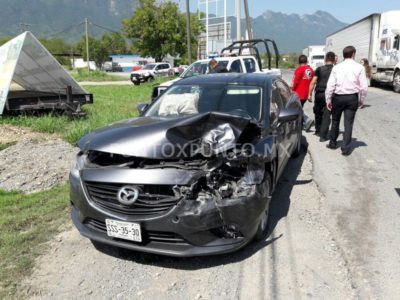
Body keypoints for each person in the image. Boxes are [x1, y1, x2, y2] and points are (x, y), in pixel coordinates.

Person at [325, 46, 368, 156]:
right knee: (348, 123)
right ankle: (345, 149)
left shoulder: (336, 67)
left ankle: (333, 143)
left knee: (335, 121)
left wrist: (328, 99)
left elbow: (330, 86)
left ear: (343, 55)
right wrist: (361, 100)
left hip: (338, 97)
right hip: (352, 97)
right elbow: (364, 87)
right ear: (353, 54)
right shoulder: (359, 67)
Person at [308, 51, 336, 141]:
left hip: (319, 94)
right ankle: (323, 135)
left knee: (317, 112)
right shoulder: (336, 69)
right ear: (334, 60)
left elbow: (313, 82)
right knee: (327, 114)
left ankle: (317, 130)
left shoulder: (319, 69)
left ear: (325, 59)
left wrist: (309, 94)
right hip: (330, 94)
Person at [291, 54, 315, 131]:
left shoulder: (299, 70)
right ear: (306, 61)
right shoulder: (311, 70)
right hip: (306, 94)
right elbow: (312, 82)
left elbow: (295, 82)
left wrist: (291, 90)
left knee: (296, 109)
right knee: (299, 108)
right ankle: (303, 124)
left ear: (299, 62)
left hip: (298, 93)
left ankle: (306, 120)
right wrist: (310, 94)